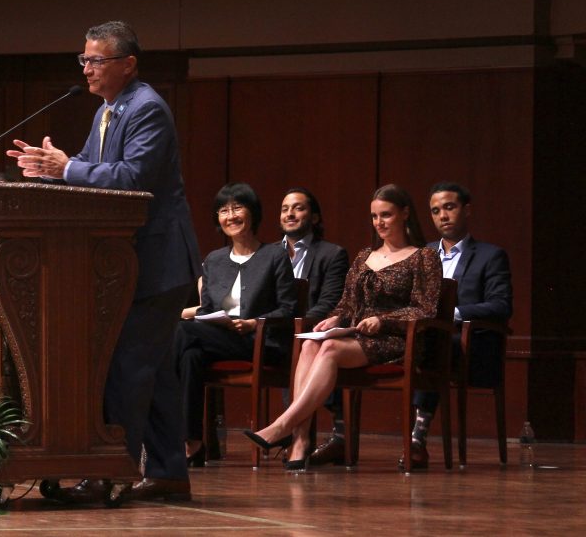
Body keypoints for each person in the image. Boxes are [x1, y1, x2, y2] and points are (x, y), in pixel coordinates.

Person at [6, 20, 201, 502]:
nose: (87, 69)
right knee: (151, 371)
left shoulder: (147, 109)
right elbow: (93, 181)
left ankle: (110, 475)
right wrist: (49, 171)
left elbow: (131, 178)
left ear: (127, 64)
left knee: (129, 366)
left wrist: (67, 167)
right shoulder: (108, 112)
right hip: (127, 262)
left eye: (96, 60)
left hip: (157, 261)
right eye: (84, 60)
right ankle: (169, 473)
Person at [242, 184, 442, 470]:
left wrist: (383, 320)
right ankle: (299, 440)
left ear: (405, 214)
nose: (379, 223)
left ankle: (283, 424)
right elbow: (347, 304)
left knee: (331, 349)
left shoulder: (424, 257)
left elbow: (426, 308)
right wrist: (335, 318)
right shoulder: (364, 257)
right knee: (311, 342)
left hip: (398, 341)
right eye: (374, 217)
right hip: (359, 336)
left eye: (386, 215)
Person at [175, 183, 296, 466]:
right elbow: (207, 310)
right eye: (223, 210)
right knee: (190, 355)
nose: (230, 216)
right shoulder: (214, 260)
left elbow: (288, 309)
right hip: (220, 338)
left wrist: (254, 322)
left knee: (181, 332)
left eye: (237, 208)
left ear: (252, 213)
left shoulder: (274, 255)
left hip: (260, 341)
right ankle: (192, 441)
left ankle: (158, 430)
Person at [403, 182, 512, 468]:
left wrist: (456, 312)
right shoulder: (421, 255)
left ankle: (417, 436)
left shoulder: (491, 255)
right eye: (436, 211)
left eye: (449, 207)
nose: (443, 216)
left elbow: (501, 306)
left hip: (471, 345)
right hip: (428, 340)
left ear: (467, 210)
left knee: (431, 345)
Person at [279, 188, 351, 467]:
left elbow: (330, 302)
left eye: (298, 208)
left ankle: (296, 436)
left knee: (304, 345)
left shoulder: (332, 254)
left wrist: (298, 325)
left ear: (315, 217)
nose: (290, 214)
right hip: (269, 331)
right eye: (285, 209)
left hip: (310, 331)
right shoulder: (268, 254)